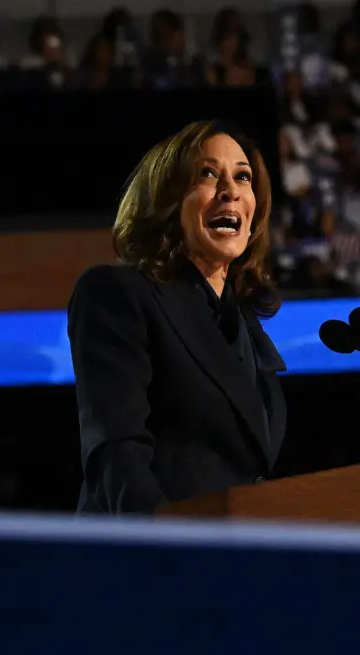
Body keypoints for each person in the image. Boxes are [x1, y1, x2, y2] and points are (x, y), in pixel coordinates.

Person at [68, 120, 286, 514]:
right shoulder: (117, 294)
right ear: (166, 199)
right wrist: (170, 553)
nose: (231, 191)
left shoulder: (244, 324)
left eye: (243, 177)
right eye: (207, 174)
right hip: (151, 561)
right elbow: (118, 455)